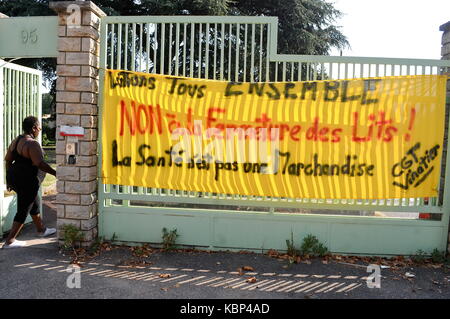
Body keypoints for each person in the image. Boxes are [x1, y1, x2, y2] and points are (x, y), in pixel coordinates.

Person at [3, 116, 57, 248]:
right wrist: (56, 173)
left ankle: (41, 230)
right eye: (39, 127)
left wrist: (8, 179)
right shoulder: (32, 144)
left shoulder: (17, 140)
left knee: (34, 203)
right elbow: (39, 163)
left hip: (14, 176)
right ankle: (10, 241)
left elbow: (8, 160)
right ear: (33, 128)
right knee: (24, 208)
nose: (39, 129)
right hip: (27, 179)